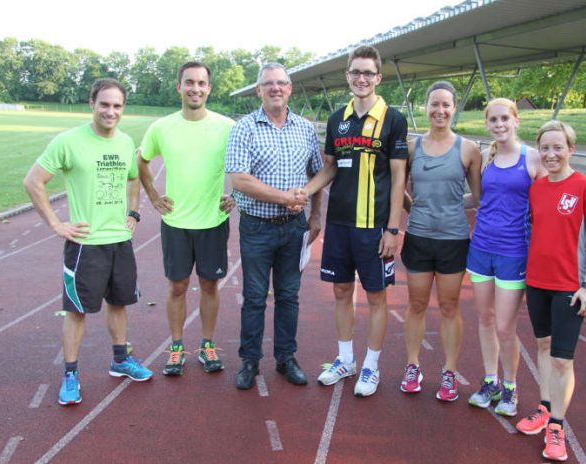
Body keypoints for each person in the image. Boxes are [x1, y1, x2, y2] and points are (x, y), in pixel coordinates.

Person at [23, 78, 153, 406]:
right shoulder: (68, 142)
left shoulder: (125, 142)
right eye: (105, 104)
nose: (111, 111)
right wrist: (56, 224)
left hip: (119, 240)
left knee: (120, 303)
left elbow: (134, 179)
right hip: (85, 244)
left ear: (123, 109)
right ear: (91, 104)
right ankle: (70, 374)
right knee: (77, 310)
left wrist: (133, 213)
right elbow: (33, 181)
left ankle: (121, 360)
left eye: (117, 106)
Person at [304, 45, 408, 397]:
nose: (361, 78)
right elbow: (330, 167)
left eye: (368, 73)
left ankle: (371, 367)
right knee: (341, 291)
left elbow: (398, 179)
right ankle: (345, 359)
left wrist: (393, 229)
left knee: (376, 296)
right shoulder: (337, 119)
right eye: (355, 72)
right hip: (340, 226)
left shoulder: (393, 119)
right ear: (347, 76)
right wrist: (302, 193)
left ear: (378, 78)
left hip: (375, 227)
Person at [226, 62, 323, 390]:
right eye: (269, 83)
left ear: (290, 88)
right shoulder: (244, 128)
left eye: (282, 83)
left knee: (288, 295)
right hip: (257, 227)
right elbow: (239, 180)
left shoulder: (305, 129)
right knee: (254, 297)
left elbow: (317, 174)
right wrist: (284, 197)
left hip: (294, 227)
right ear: (258, 90)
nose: (276, 88)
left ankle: (286, 358)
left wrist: (316, 215)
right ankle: (249, 361)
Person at [516, 121, 586, 462]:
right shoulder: (537, 188)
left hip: (570, 286)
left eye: (558, 147)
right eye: (545, 148)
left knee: (562, 359)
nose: (551, 154)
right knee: (542, 344)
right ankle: (544, 406)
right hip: (537, 282)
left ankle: (556, 425)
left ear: (571, 149)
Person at [138, 62, 235, 376]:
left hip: (213, 221)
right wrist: (153, 195)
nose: (196, 88)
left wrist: (236, 194)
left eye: (202, 83)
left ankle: (207, 345)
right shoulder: (162, 127)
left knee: (210, 284)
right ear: (178, 86)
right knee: (178, 286)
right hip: (176, 223)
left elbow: (248, 163)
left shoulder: (227, 126)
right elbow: (141, 160)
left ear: (209, 88)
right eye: (189, 82)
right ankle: (177, 347)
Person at [397, 81, 482, 401]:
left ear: (454, 108)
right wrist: (416, 209)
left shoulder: (468, 149)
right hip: (419, 237)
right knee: (416, 304)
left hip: (453, 240)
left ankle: (448, 372)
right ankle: (412, 366)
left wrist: (448, 206)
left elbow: (476, 196)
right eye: (434, 104)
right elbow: (400, 189)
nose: (440, 110)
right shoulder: (412, 148)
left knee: (449, 306)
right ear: (426, 107)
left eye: (446, 105)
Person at [466, 98, 546, 416]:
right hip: (481, 249)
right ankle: (491, 381)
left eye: (504, 119)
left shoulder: (534, 159)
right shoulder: (487, 157)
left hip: (514, 253)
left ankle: (511, 387)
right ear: (487, 124)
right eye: (493, 120)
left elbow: (555, 196)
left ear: (516, 120)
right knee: (484, 319)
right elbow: (477, 200)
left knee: (504, 326)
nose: (499, 125)